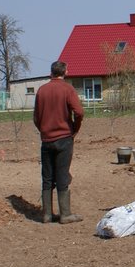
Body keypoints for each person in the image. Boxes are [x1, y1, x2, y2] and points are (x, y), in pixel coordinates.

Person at [33, 61, 85, 224]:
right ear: (65, 72)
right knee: (62, 175)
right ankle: (65, 214)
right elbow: (79, 112)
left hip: (46, 140)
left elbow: (36, 117)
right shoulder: (67, 89)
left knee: (47, 177)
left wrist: (44, 130)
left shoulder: (42, 90)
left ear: (51, 72)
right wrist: (74, 128)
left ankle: (47, 214)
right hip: (64, 138)